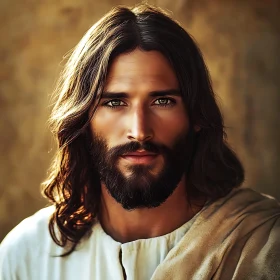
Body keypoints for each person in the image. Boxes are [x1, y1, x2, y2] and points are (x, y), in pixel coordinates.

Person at [1, 4, 280, 280]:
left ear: (196, 115)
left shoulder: (264, 246)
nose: (139, 131)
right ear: (83, 119)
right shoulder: (27, 256)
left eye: (162, 101)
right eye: (114, 102)